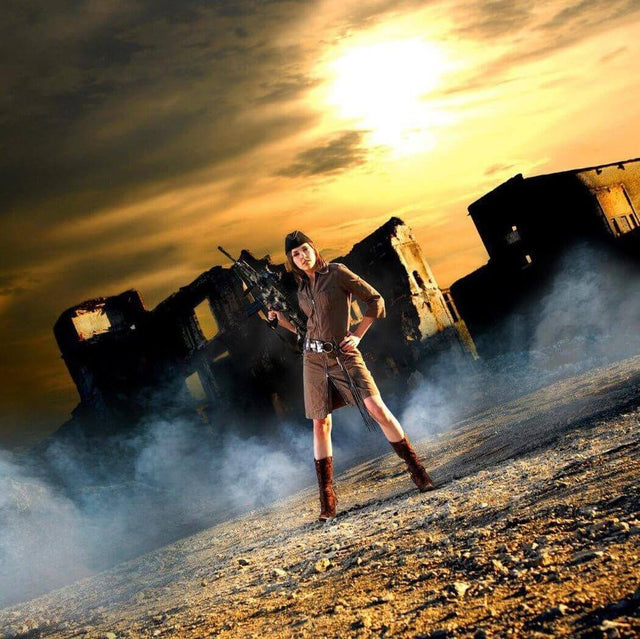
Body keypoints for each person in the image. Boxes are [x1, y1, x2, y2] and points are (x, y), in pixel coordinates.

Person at [268, 230, 435, 521]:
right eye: (295, 254)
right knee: (321, 425)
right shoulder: (302, 290)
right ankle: (328, 500)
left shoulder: (336, 273)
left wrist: (358, 335)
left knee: (376, 408)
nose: (301, 256)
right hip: (313, 359)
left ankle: (417, 470)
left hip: (343, 354)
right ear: (292, 260)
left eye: (304, 249)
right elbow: (310, 328)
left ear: (313, 248)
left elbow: (376, 301)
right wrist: (282, 321)